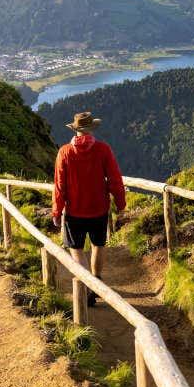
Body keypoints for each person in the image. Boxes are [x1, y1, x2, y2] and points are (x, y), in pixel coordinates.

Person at [51, 111, 126, 307]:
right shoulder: (103, 150)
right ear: (92, 128)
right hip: (99, 209)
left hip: (74, 211)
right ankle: (97, 280)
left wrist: (57, 211)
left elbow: (60, 185)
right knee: (97, 245)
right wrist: (121, 203)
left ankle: (88, 287)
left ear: (75, 130)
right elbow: (115, 180)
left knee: (76, 250)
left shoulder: (65, 152)